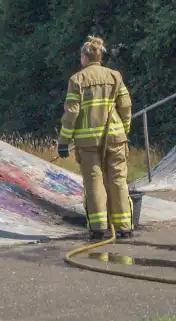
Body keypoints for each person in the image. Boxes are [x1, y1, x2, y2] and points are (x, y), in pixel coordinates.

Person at [56, 36, 134, 240]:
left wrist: (63, 141)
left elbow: (72, 113)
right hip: (116, 138)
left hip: (88, 143)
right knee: (118, 181)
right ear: (100, 56)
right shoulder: (115, 76)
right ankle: (124, 227)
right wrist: (124, 129)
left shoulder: (77, 80)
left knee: (94, 183)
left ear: (84, 57)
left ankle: (99, 228)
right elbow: (125, 107)